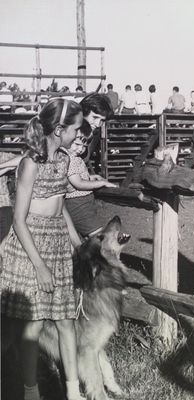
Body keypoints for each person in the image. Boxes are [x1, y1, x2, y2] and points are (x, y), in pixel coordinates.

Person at [0, 98, 86, 400]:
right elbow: (19, 221)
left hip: (58, 242)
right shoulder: (29, 164)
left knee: (66, 321)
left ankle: (73, 393)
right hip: (30, 245)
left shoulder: (64, 159)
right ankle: (30, 391)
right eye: (75, 129)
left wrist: (75, 241)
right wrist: (39, 265)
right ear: (59, 129)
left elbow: (60, 207)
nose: (79, 134)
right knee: (32, 327)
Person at [65, 119, 117, 237]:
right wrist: (101, 183)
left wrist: (91, 177)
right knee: (98, 237)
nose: (80, 149)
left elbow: (76, 176)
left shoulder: (74, 157)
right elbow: (78, 183)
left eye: (84, 146)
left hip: (83, 202)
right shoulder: (70, 159)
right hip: (78, 203)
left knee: (90, 237)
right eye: (77, 144)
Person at [80, 92, 112, 163]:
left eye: (102, 120)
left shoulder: (94, 133)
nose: (98, 124)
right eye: (95, 117)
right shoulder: (67, 132)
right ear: (84, 112)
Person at [0, 151, 24, 242]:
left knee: (4, 245)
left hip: (3, 206)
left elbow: (24, 158)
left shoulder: (3, 155)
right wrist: (7, 168)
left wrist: (2, 165)